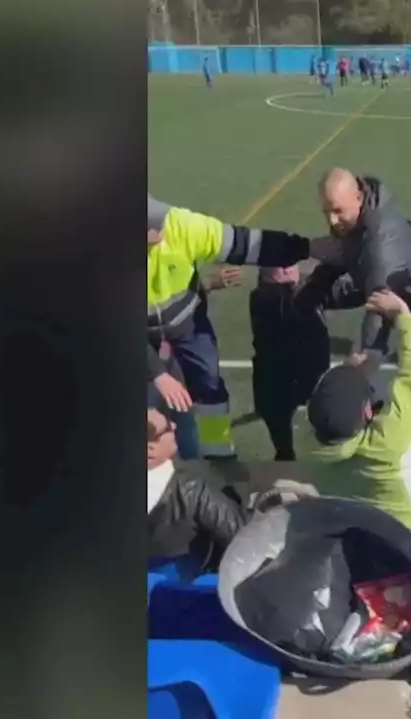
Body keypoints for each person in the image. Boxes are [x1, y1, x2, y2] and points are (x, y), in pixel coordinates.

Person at [300, 169, 411, 478]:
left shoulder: (380, 242)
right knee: (377, 385)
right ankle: (392, 444)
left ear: (358, 198)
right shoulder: (364, 212)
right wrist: (307, 295)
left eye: (338, 211)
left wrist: (371, 353)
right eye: (326, 211)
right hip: (391, 301)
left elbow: (378, 299)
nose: (331, 220)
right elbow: (344, 260)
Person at [147, 194, 320, 459]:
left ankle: (218, 452)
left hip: (189, 326)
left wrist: (312, 248)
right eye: (149, 227)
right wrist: (158, 374)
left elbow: (245, 243)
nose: (158, 230)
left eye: (159, 222)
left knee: (210, 386)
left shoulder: (181, 226)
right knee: (150, 393)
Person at [305, 290, 411, 553]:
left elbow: (327, 402)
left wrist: (350, 375)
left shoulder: (306, 445)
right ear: (368, 413)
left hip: (365, 549)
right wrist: (403, 315)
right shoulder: (393, 443)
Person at [147, 407, 245, 575]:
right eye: (167, 428)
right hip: (181, 590)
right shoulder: (194, 488)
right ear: (150, 449)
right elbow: (241, 540)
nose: (175, 425)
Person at [249, 264, 331, 462]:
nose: (287, 269)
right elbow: (294, 300)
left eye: (290, 264)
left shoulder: (303, 291)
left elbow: (344, 293)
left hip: (311, 369)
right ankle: (285, 453)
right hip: (277, 376)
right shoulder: (264, 297)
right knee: (275, 415)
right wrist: (329, 270)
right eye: (279, 266)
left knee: (329, 413)